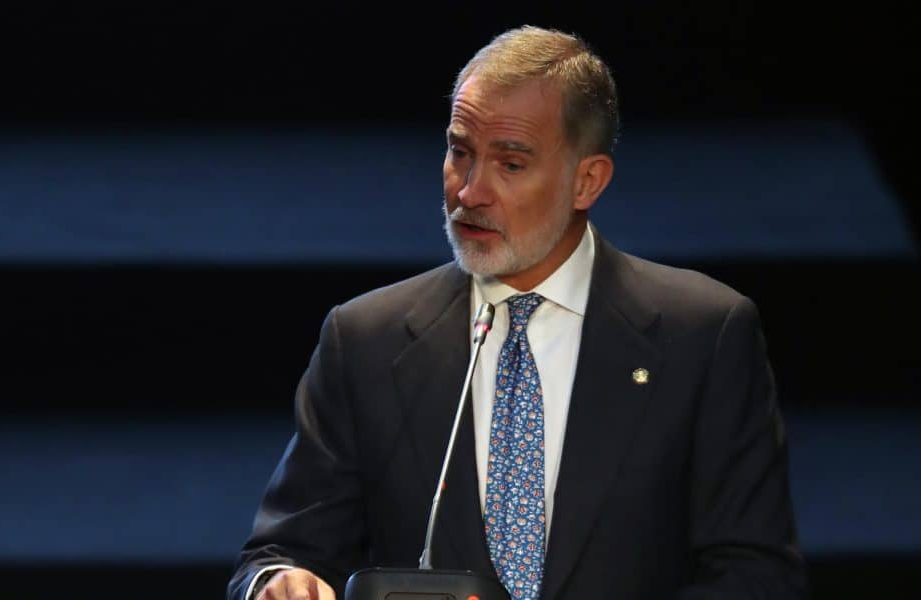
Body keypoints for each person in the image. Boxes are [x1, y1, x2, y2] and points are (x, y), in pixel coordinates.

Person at [227, 25, 808, 600]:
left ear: (587, 181)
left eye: (510, 164)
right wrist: (279, 584)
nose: (470, 191)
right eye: (459, 152)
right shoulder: (365, 341)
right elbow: (283, 552)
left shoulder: (702, 336)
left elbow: (756, 579)